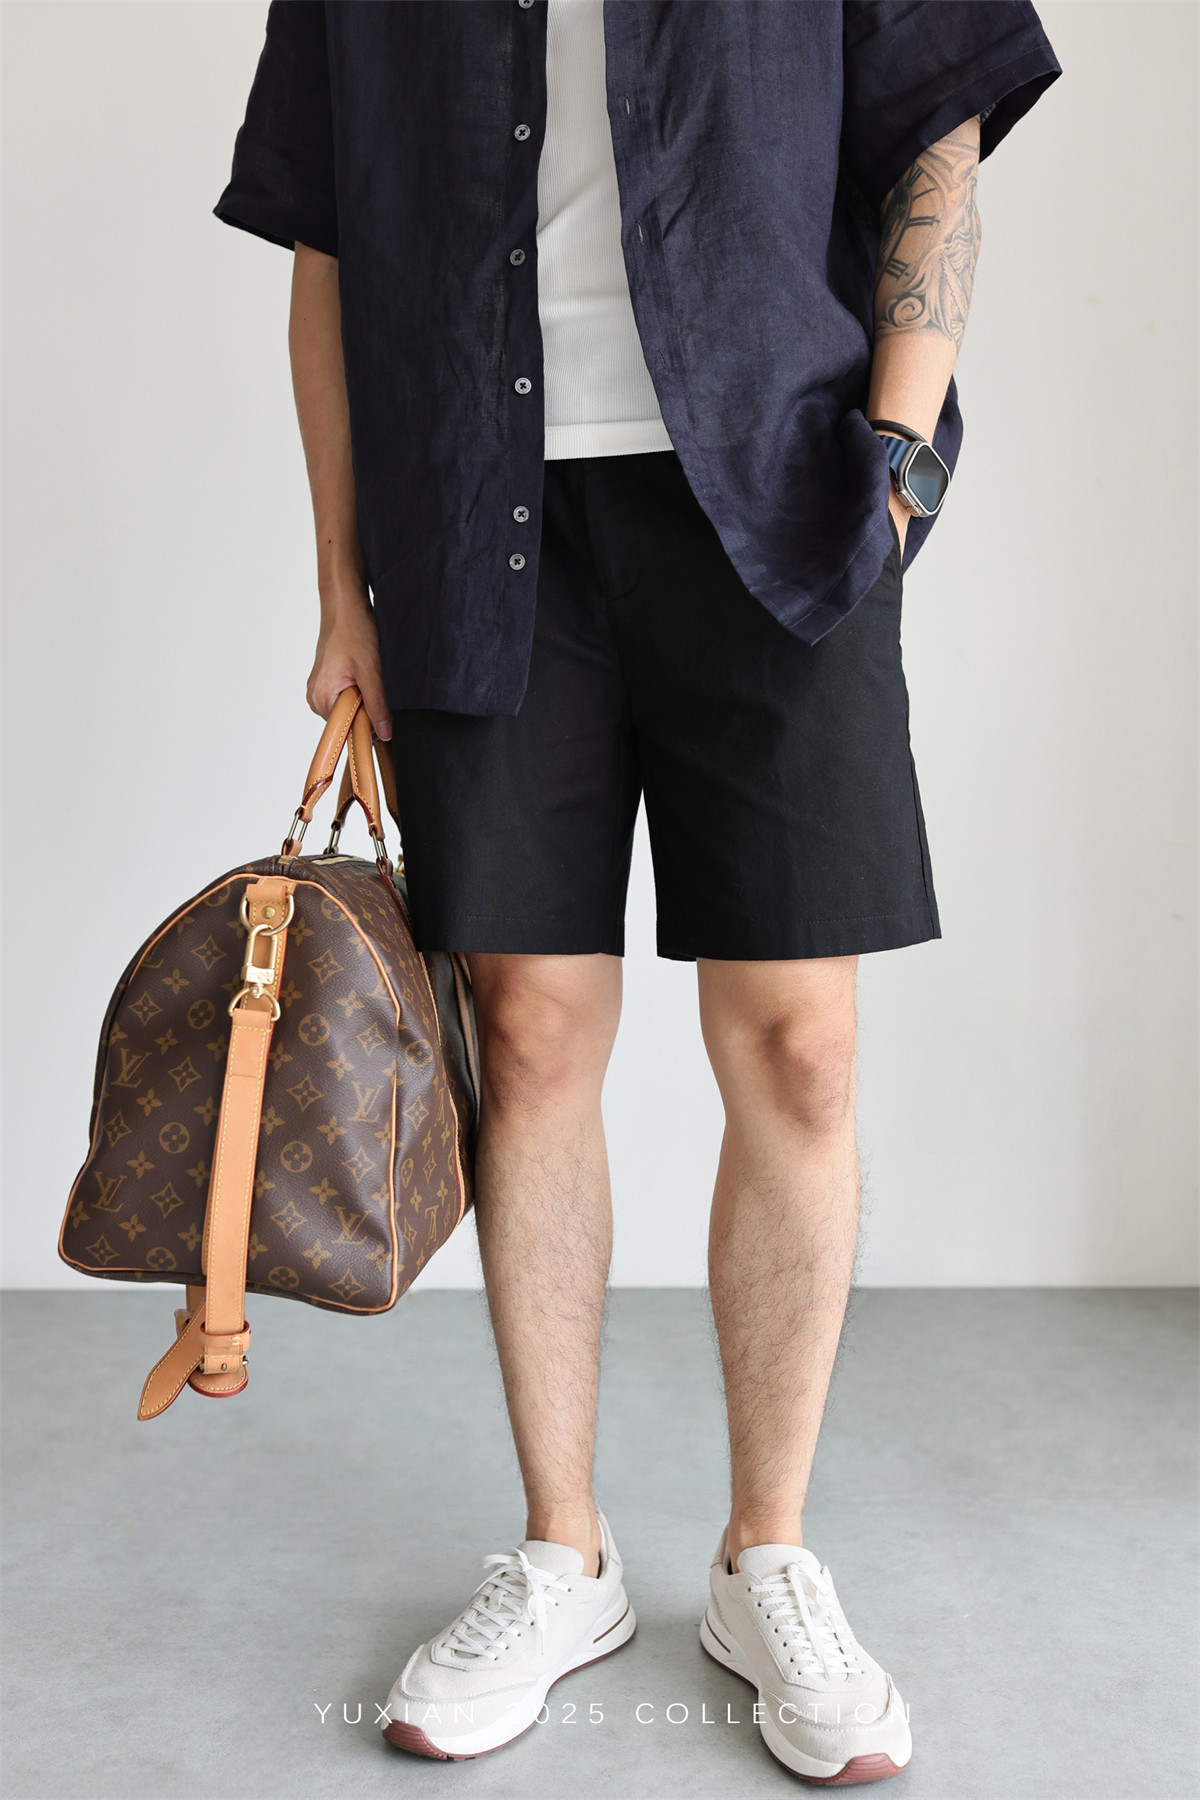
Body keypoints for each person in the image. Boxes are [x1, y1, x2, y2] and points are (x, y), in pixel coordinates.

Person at [215, 0, 1060, 1781]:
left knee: (803, 1046)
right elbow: (326, 246)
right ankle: (563, 1551)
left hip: (783, 500)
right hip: (480, 515)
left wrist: (900, 455)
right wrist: (342, 586)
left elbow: (939, 129)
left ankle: (769, 1557)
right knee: (526, 1034)